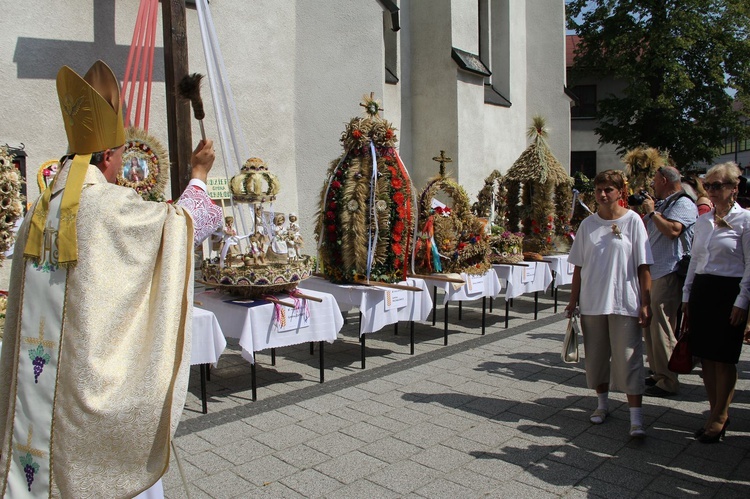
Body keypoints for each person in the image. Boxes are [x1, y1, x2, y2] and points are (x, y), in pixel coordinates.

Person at [0, 61, 222, 497]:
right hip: (87, 398)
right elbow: (180, 225)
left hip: (39, 395)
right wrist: (198, 176)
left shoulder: (37, 212)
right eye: (122, 155)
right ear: (105, 156)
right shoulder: (106, 206)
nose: (123, 165)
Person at [565, 170, 653, 438]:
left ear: (620, 192)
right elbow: (578, 266)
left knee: (629, 360)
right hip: (593, 303)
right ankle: (602, 405)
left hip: (624, 302)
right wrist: (573, 300)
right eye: (599, 189)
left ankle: (636, 419)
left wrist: (645, 303)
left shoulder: (633, 221)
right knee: (596, 359)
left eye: (609, 190)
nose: (603, 194)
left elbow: (643, 265)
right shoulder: (588, 225)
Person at [682, 162, 750, 444]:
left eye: (717, 185)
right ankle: (715, 411)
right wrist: (687, 295)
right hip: (703, 289)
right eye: (708, 185)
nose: (711, 190)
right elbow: (695, 260)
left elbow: (749, 265)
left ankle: (721, 415)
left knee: (723, 358)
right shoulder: (704, 220)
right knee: (706, 357)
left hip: (728, 291)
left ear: (734, 188)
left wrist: (742, 300)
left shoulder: (745, 220)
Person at [640, 167, 698, 397]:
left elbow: (673, 231)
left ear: (664, 180)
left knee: (663, 327)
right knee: (651, 327)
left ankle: (669, 380)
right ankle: (657, 372)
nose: (653, 185)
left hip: (668, 271)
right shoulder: (665, 202)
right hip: (654, 272)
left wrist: (653, 213)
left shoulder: (684, 203)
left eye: (655, 181)